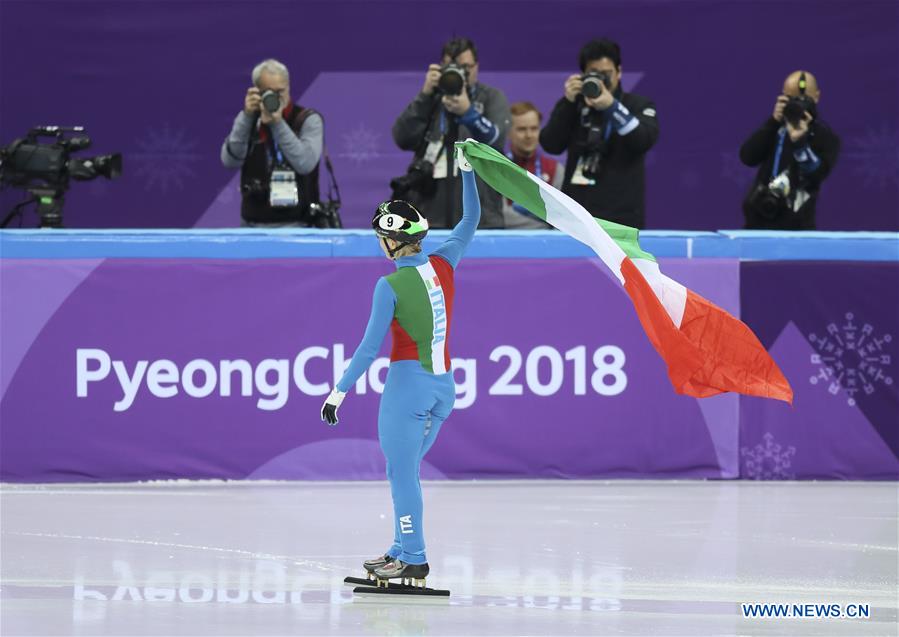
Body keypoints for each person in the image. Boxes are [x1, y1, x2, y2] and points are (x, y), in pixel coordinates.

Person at [320, 144, 480, 584]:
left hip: (408, 388)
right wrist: (467, 171)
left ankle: (414, 555)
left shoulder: (389, 284)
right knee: (404, 472)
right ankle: (399, 547)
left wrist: (338, 392)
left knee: (401, 474)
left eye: (380, 239)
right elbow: (471, 220)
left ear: (392, 241)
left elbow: (368, 349)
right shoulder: (446, 262)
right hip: (444, 387)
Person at [539, 38, 658, 229]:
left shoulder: (638, 105)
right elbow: (550, 144)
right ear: (583, 75)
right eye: (594, 74)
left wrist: (611, 106)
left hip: (622, 219)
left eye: (606, 74)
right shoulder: (574, 105)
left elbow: (643, 140)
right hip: (577, 216)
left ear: (619, 72)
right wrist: (568, 103)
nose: (601, 80)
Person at [392, 37, 509, 229]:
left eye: (466, 67)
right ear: (440, 67)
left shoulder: (491, 98)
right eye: (450, 67)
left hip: (480, 212)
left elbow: (496, 140)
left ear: (476, 67)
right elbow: (402, 138)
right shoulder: (431, 100)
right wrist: (425, 96)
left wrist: (469, 114)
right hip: (430, 210)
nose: (459, 73)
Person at [221, 59, 323, 227]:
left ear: (288, 87)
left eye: (280, 91)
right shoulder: (248, 119)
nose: (275, 97)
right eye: (269, 92)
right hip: (252, 225)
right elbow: (229, 161)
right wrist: (247, 117)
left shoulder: (307, 119)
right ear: (256, 91)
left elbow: (305, 164)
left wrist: (277, 123)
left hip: (298, 225)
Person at [739, 70, 840, 230]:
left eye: (803, 99)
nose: (797, 105)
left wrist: (799, 142)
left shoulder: (826, 137)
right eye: (790, 99)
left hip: (798, 227)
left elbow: (817, 174)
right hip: (758, 221)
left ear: (817, 97)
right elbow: (747, 157)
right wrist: (773, 122)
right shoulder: (774, 128)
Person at [503, 102, 564, 229]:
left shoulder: (554, 169)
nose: (529, 135)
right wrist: (544, 226)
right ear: (509, 132)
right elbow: (500, 215)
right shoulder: (498, 167)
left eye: (534, 128)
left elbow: (562, 217)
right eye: (522, 129)